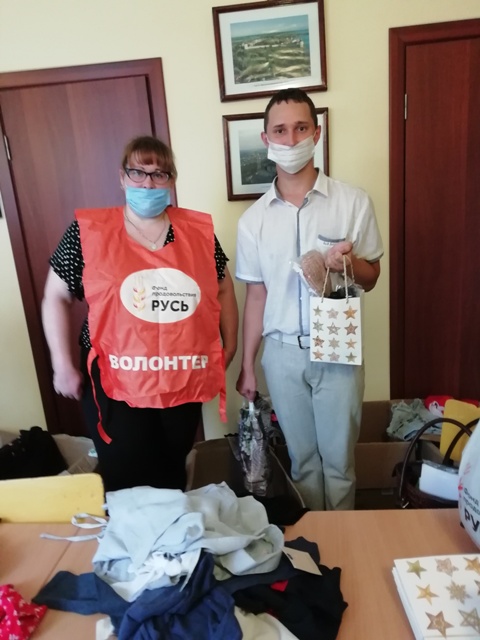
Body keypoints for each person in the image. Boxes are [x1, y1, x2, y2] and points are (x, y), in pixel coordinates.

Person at [42, 135, 238, 492]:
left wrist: (230, 346)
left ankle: (171, 528)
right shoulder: (89, 233)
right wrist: (62, 364)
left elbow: (223, 287)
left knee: (171, 467)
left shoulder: (197, 234)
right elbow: (55, 296)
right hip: (114, 376)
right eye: (138, 172)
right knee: (125, 468)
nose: (148, 183)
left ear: (171, 180)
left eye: (160, 174)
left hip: (181, 371)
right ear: (122, 177)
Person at [235, 89, 383, 511]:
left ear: (316, 133)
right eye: (280, 130)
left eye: (301, 128)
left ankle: (344, 542)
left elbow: (372, 277)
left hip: (338, 348)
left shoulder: (352, 202)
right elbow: (256, 296)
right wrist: (247, 365)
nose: (291, 138)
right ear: (266, 139)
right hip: (282, 353)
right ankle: (316, 543)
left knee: (339, 464)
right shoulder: (253, 221)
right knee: (302, 463)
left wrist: (346, 263)